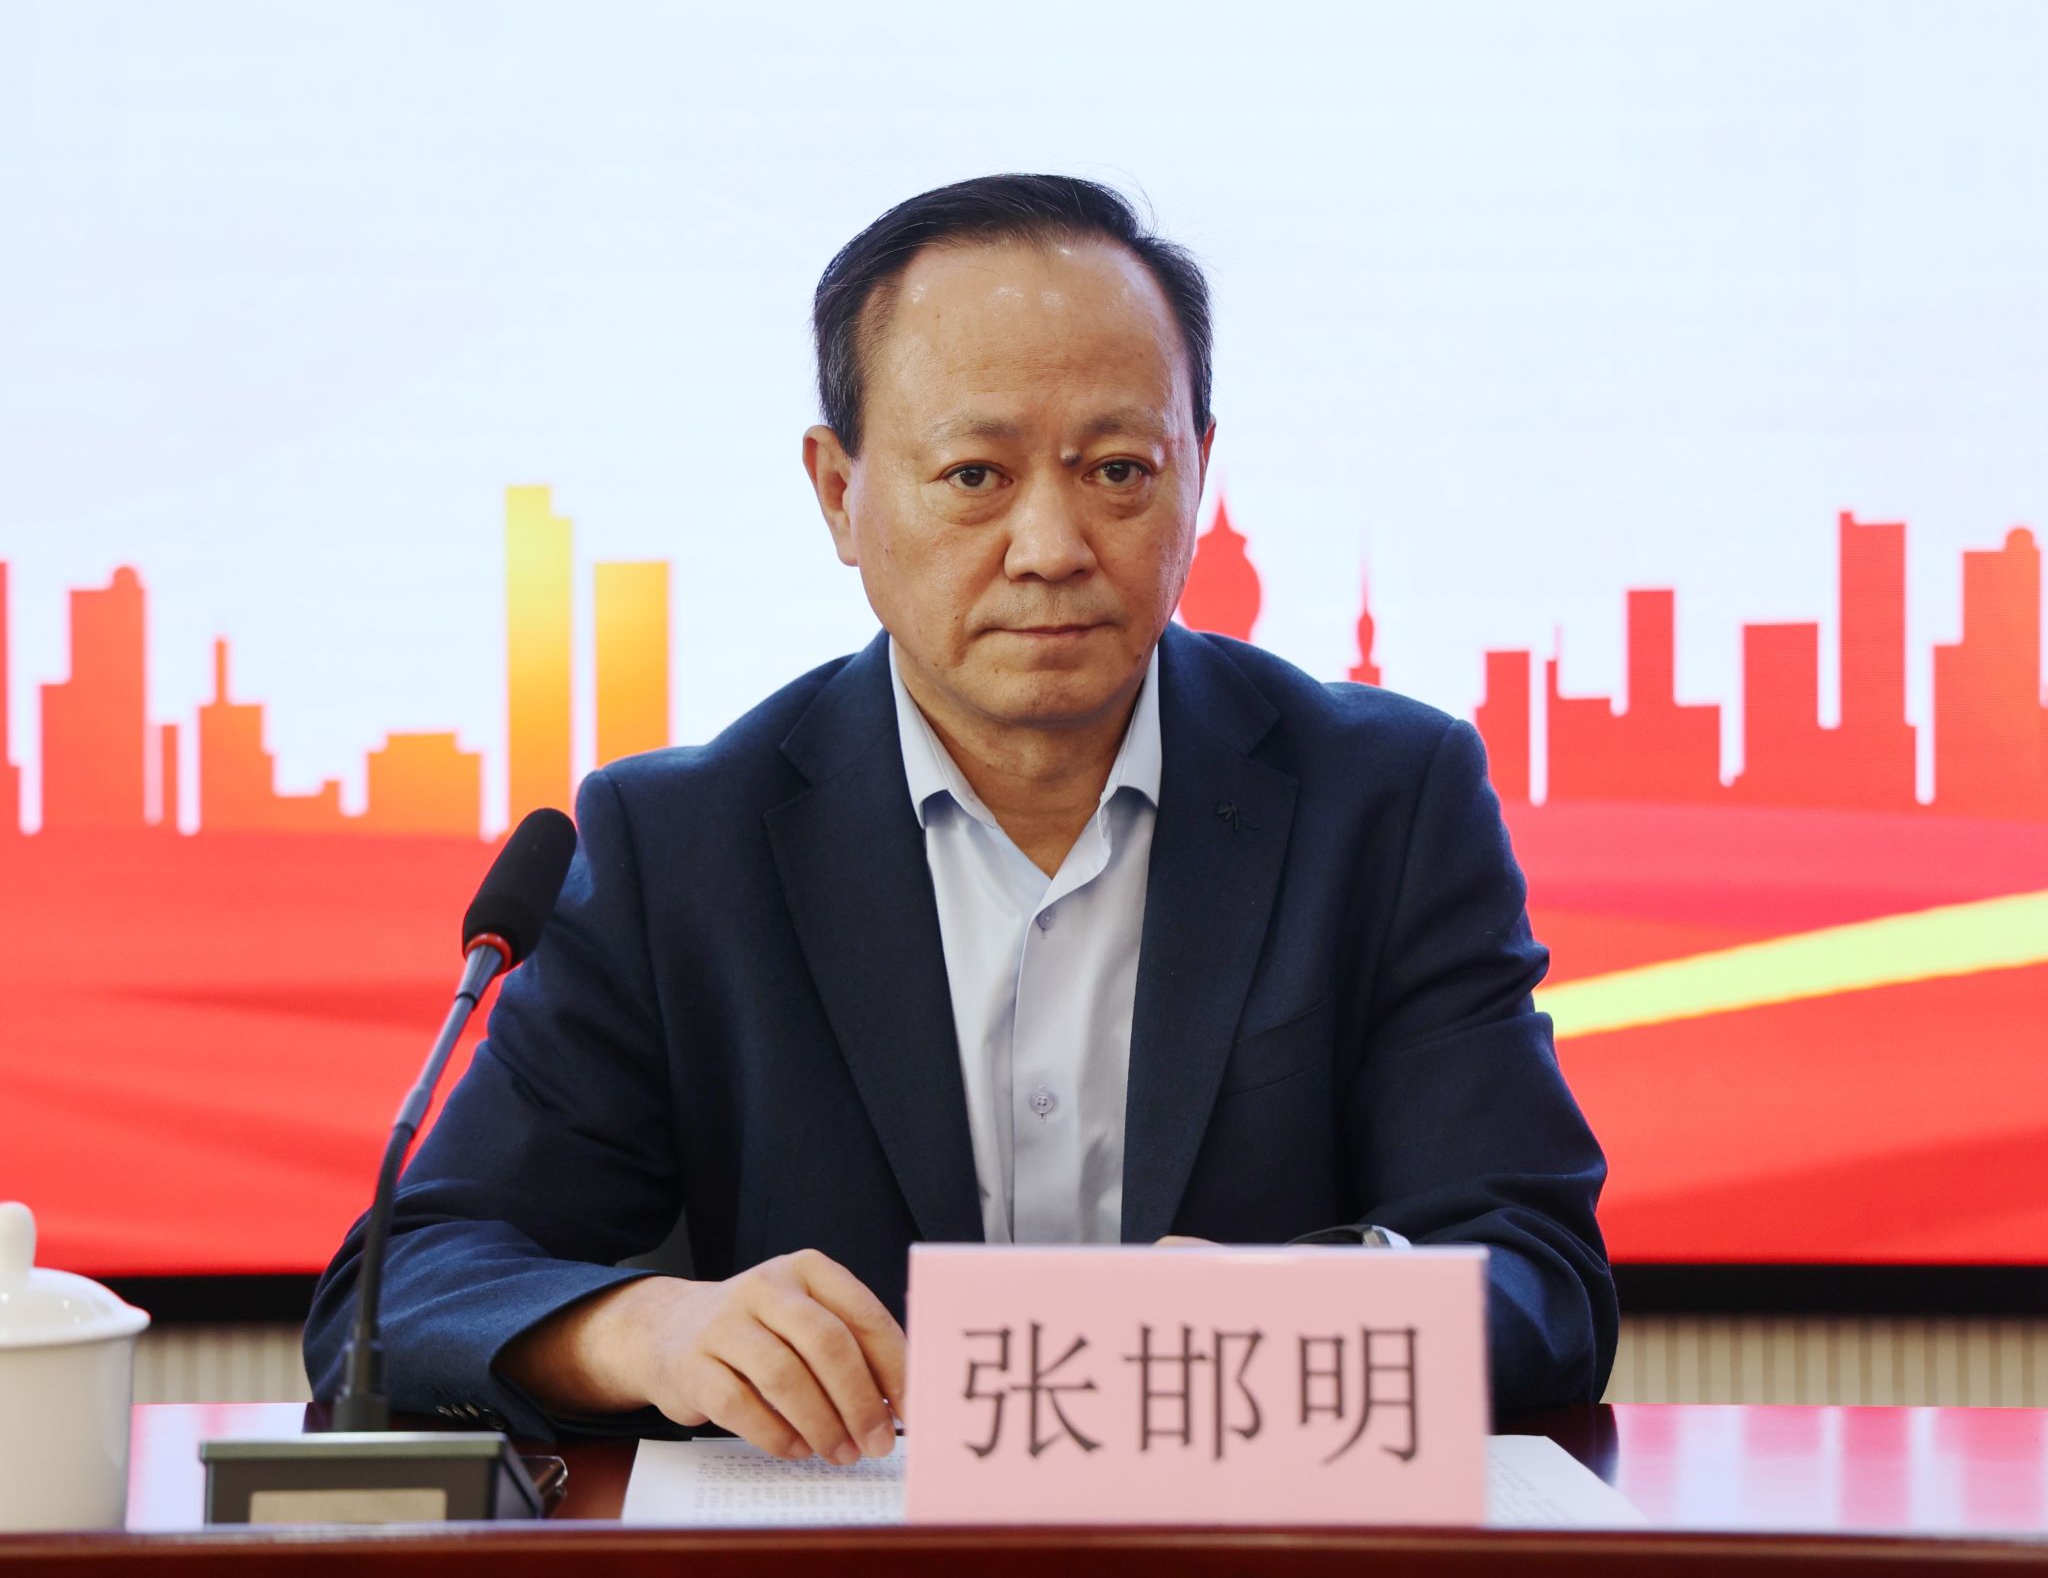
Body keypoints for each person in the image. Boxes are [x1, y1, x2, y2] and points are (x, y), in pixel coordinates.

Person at [305, 174, 1617, 1465]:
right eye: (976, 473)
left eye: (1118, 469)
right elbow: (406, 1284)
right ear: (839, 493)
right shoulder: (681, 847)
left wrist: (1287, 1315)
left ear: (1200, 473)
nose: (1051, 545)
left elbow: (1540, 1275)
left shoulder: (1383, 802)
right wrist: (650, 1329)